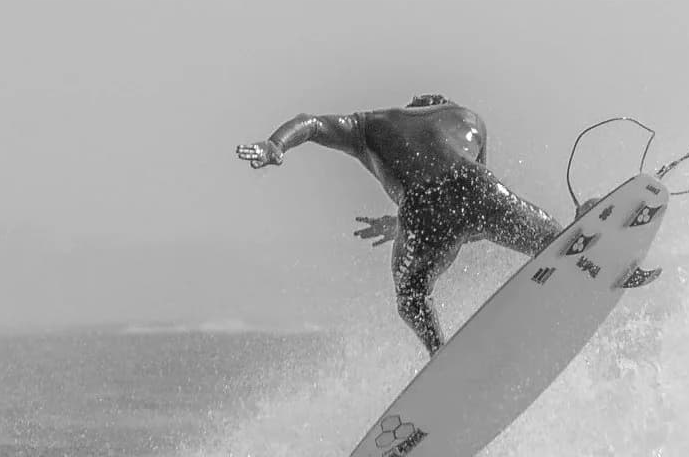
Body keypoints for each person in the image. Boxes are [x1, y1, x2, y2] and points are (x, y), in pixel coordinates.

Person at [236, 94, 564, 356]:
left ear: (414, 105)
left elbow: (310, 124)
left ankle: (440, 356)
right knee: (551, 239)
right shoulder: (469, 119)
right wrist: (403, 227)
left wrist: (276, 145)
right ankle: (578, 240)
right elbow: (469, 213)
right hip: (475, 185)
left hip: (422, 207)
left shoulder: (367, 126)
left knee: (410, 294)